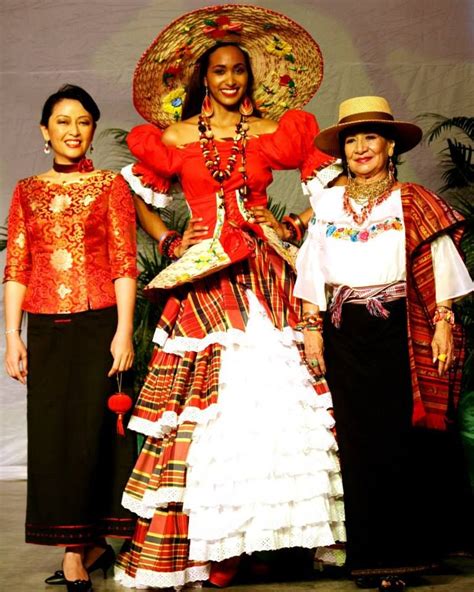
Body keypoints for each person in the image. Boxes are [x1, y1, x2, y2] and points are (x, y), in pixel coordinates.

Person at [114, 5, 344, 590]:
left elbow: (331, 189)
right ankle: (217, 545)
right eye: (219, 70)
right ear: (204, 79)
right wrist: (168, 237)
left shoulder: (273, 132)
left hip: (265, 274)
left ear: (249, 76)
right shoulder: (176, 137)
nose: (230, 79)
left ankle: (265, 537)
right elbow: (133, 188)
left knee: (278, 401)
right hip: (206, 280)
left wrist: (287, 228)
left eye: (239, 69)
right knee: (210, 409)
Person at [293, 95, 473, 591]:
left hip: (399, 325)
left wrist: (442, 320)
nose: (360, 147)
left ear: (390, 145)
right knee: (356, 442)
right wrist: (311, 329)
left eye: (370, 137)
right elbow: (312, 269)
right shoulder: (327, 202)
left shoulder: (413, 200)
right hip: (343, 329)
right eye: (351, 139)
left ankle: (405, 557)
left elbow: (440, 263)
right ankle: (369, 557)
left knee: (402, 439)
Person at [3, 84, 138, 592]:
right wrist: (12, 337)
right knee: (57, 437)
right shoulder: (26, 190)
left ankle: (87, 546)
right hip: (47, 326)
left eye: (83, 121)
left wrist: (124, 330)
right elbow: (17, 264)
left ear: (93, 130)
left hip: (101, 322)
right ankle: (78, 546)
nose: (73, 131)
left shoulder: (111, 186)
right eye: (62, 121)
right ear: (45, 131)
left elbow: (125, 262)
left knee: (99, 433)